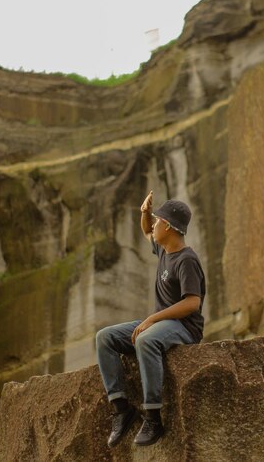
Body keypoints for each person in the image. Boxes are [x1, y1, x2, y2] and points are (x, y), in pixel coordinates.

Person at [95, 190, 206, 448]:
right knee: (105, 337)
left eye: (157, 220)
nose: (153, 225)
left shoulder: (187, 260)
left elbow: (193, 302)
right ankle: (122, 409)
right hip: (160, 323)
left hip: (185, 328)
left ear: (168, 226)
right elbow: (147, 232)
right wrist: (145, 213)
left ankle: (153, 418)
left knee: (145, 340)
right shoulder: (164, 248)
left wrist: (152, 319)